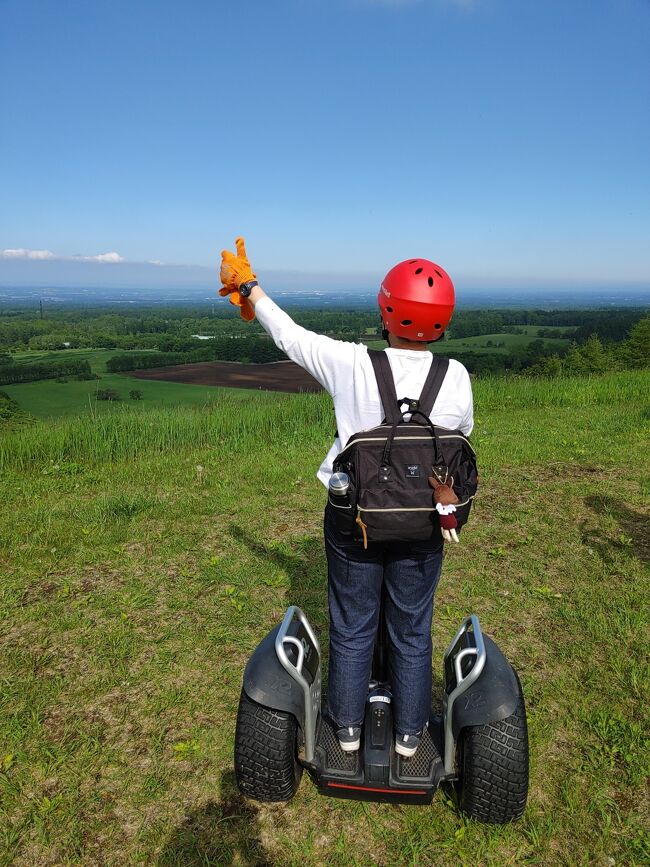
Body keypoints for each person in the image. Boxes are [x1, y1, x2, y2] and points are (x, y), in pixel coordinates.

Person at [219, 238, 473, 758]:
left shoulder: (351, 364)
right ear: (442, 321)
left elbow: (288, 336)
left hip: (352, 518)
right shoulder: (457, 377)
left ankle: (348, 729)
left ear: (386, 309)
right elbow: (457, 443)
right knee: (411, 625)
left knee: (354, 623)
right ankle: (408, 735)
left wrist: (248, 286)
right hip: (424, 522)